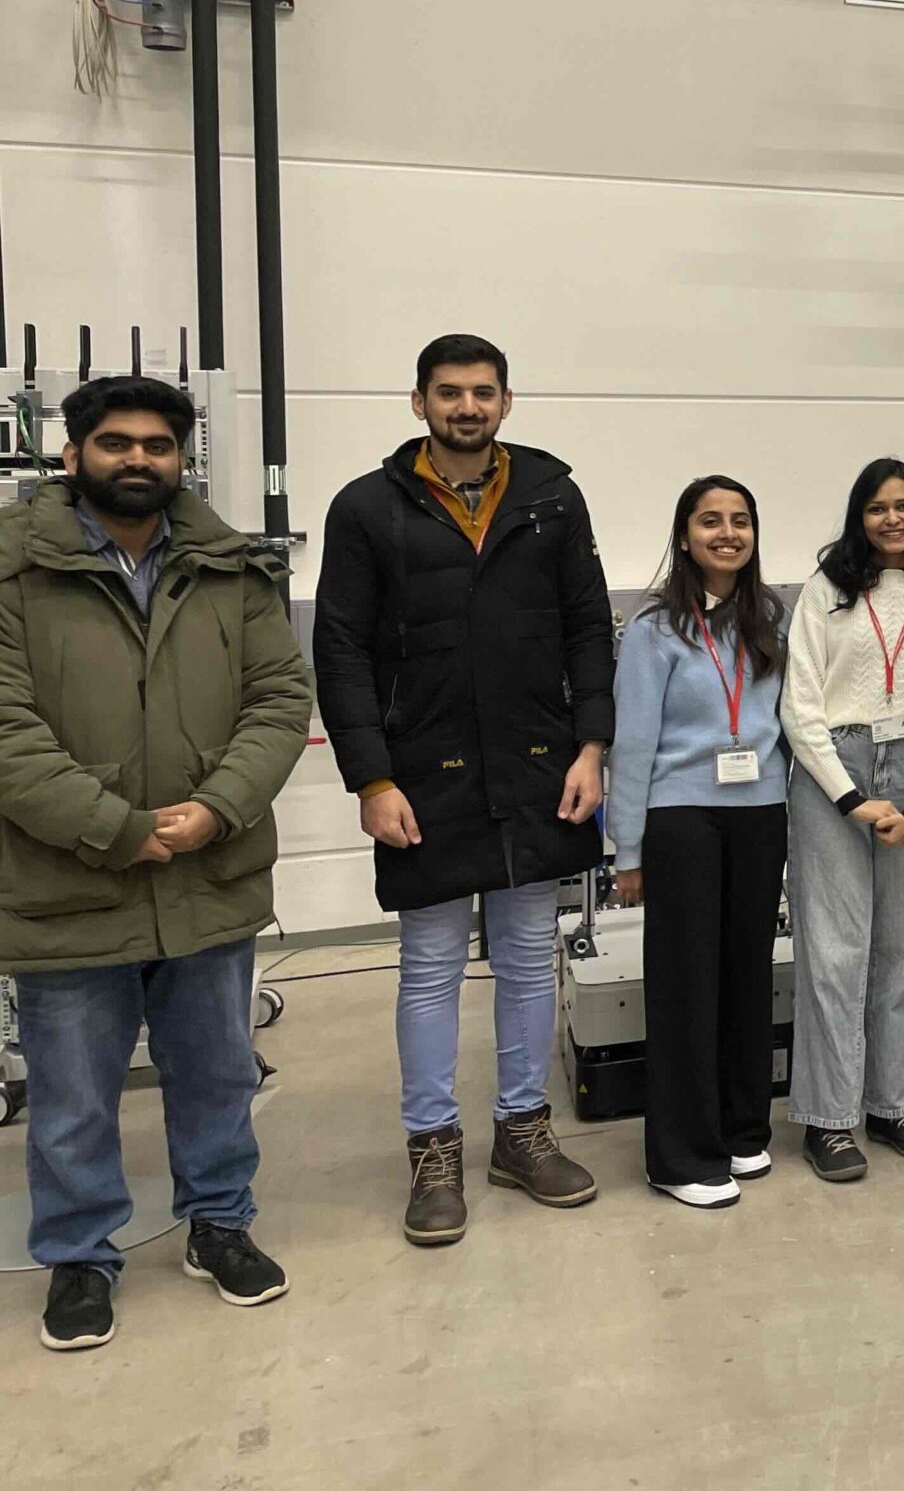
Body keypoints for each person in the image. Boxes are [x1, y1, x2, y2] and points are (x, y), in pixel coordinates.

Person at [0, 377, 312, 1351]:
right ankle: (80, 1257)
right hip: (66, 881)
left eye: (158, 444)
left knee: (217, 1071)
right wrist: (113, 826)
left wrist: (218, 809)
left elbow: (280, 698)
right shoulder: (11, 568)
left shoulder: (232, 566)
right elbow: (6, 729)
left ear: (182, 458)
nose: (137, 458)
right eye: (116, 442)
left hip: (206, 873)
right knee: (72, 1095)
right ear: (72, 455)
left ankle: (220, 1224)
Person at [312, 335, 614, 1246]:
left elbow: (587, 627)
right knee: (431, 968)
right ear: (419, 403)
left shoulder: (552, 496)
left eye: (483, 392)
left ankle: (522, 1131)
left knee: (526, 958)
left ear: (506, 402)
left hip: (537, 763)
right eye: (449, 393)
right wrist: (370, 777)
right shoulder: (365, 508)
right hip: (423, 774)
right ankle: (433, 1149)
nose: (467, 407)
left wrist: (592, 746)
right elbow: (341, 649)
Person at [781, 458, 904, 1183]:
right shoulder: (825, 592)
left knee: (903, 948)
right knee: (834, 952)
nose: (892, 519)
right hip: (836, 768)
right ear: (857, 517)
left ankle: (893, 1104)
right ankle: (829, 1119)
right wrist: (847, 796)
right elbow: (799, 705)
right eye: (877, 508)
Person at [609, 477, 790, 1211]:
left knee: (748, 974)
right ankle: (679, 1154)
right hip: (682, 816)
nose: (727, 533)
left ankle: (743, 1128)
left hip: (761, 812)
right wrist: (627, 850)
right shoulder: (655, 629)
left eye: (740, 520)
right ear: (684, 537)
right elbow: (633, 742)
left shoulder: (770, 618)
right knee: (686, 984)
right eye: (710, 521)